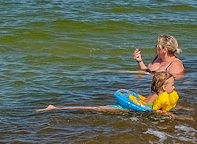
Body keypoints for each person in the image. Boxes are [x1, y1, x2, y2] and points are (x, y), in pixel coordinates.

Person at [41, 37, 186, 115]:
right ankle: (55, 109)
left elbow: (159, 104)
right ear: (163, 86)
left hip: (138, 103)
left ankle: (56, 108)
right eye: (172, 85)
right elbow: (154, 109)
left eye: (158, 47)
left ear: (165, 50)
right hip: (130, 108)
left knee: (98, 108)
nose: (174, 87)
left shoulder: (174, 68)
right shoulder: (157, 93)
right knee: (97, 109)